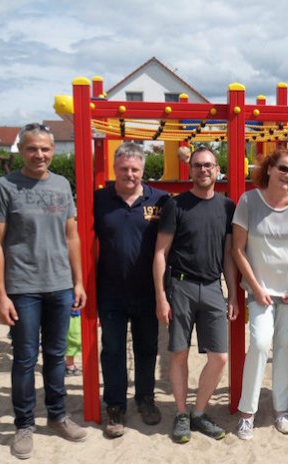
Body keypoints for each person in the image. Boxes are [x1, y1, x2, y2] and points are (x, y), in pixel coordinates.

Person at [0, 123, 87, 460]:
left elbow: (72, 236)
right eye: (32, 148)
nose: (39, 154)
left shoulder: (61, 185)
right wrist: (1, 296)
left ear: (53, 150)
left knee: (57, 356)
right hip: (23, 288)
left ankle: (57, 415)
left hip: (59, 286)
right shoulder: (4, 187)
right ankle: (24, 424)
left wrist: (78, 281)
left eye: (45, 148)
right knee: (25, 359)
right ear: (21, 150)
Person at [153, 146, 239, 444]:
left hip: (213, 286)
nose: (204, 170)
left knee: (220, 357)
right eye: (198, 165)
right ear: (190, 170)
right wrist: (161, 297)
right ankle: (180, 413)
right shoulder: (176, 206)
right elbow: (160, 253)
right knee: (179, 352)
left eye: (209, 165)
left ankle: (199, 413)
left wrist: (232, 294)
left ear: (217, 170)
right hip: (180, 286)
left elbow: (228, 254)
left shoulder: (227, 207)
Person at [233, 148, 288, 440]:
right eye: (283, 169)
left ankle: (282, 409)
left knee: (285, 348)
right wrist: (255, 286)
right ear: (269, 168)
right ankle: (247, 412)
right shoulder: (249, 200)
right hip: (260, 290)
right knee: (258, 343)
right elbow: (238, 250)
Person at [94, 142, 169, 438]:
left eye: (135, 169)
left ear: (142, 171)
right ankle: (115, 405)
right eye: (124, 168)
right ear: (115, 169)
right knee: (112, 350)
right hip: (110, 290)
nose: (129, 174)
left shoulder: (160, 200)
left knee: (147, 348)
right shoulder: (99, 199)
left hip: (147, 291)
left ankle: (145, 398)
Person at [65, 307, 82, 376]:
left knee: (75, 340)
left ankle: (69, 365)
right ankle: (69, 366)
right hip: (72, 313)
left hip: (79, 313)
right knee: (73, 340)